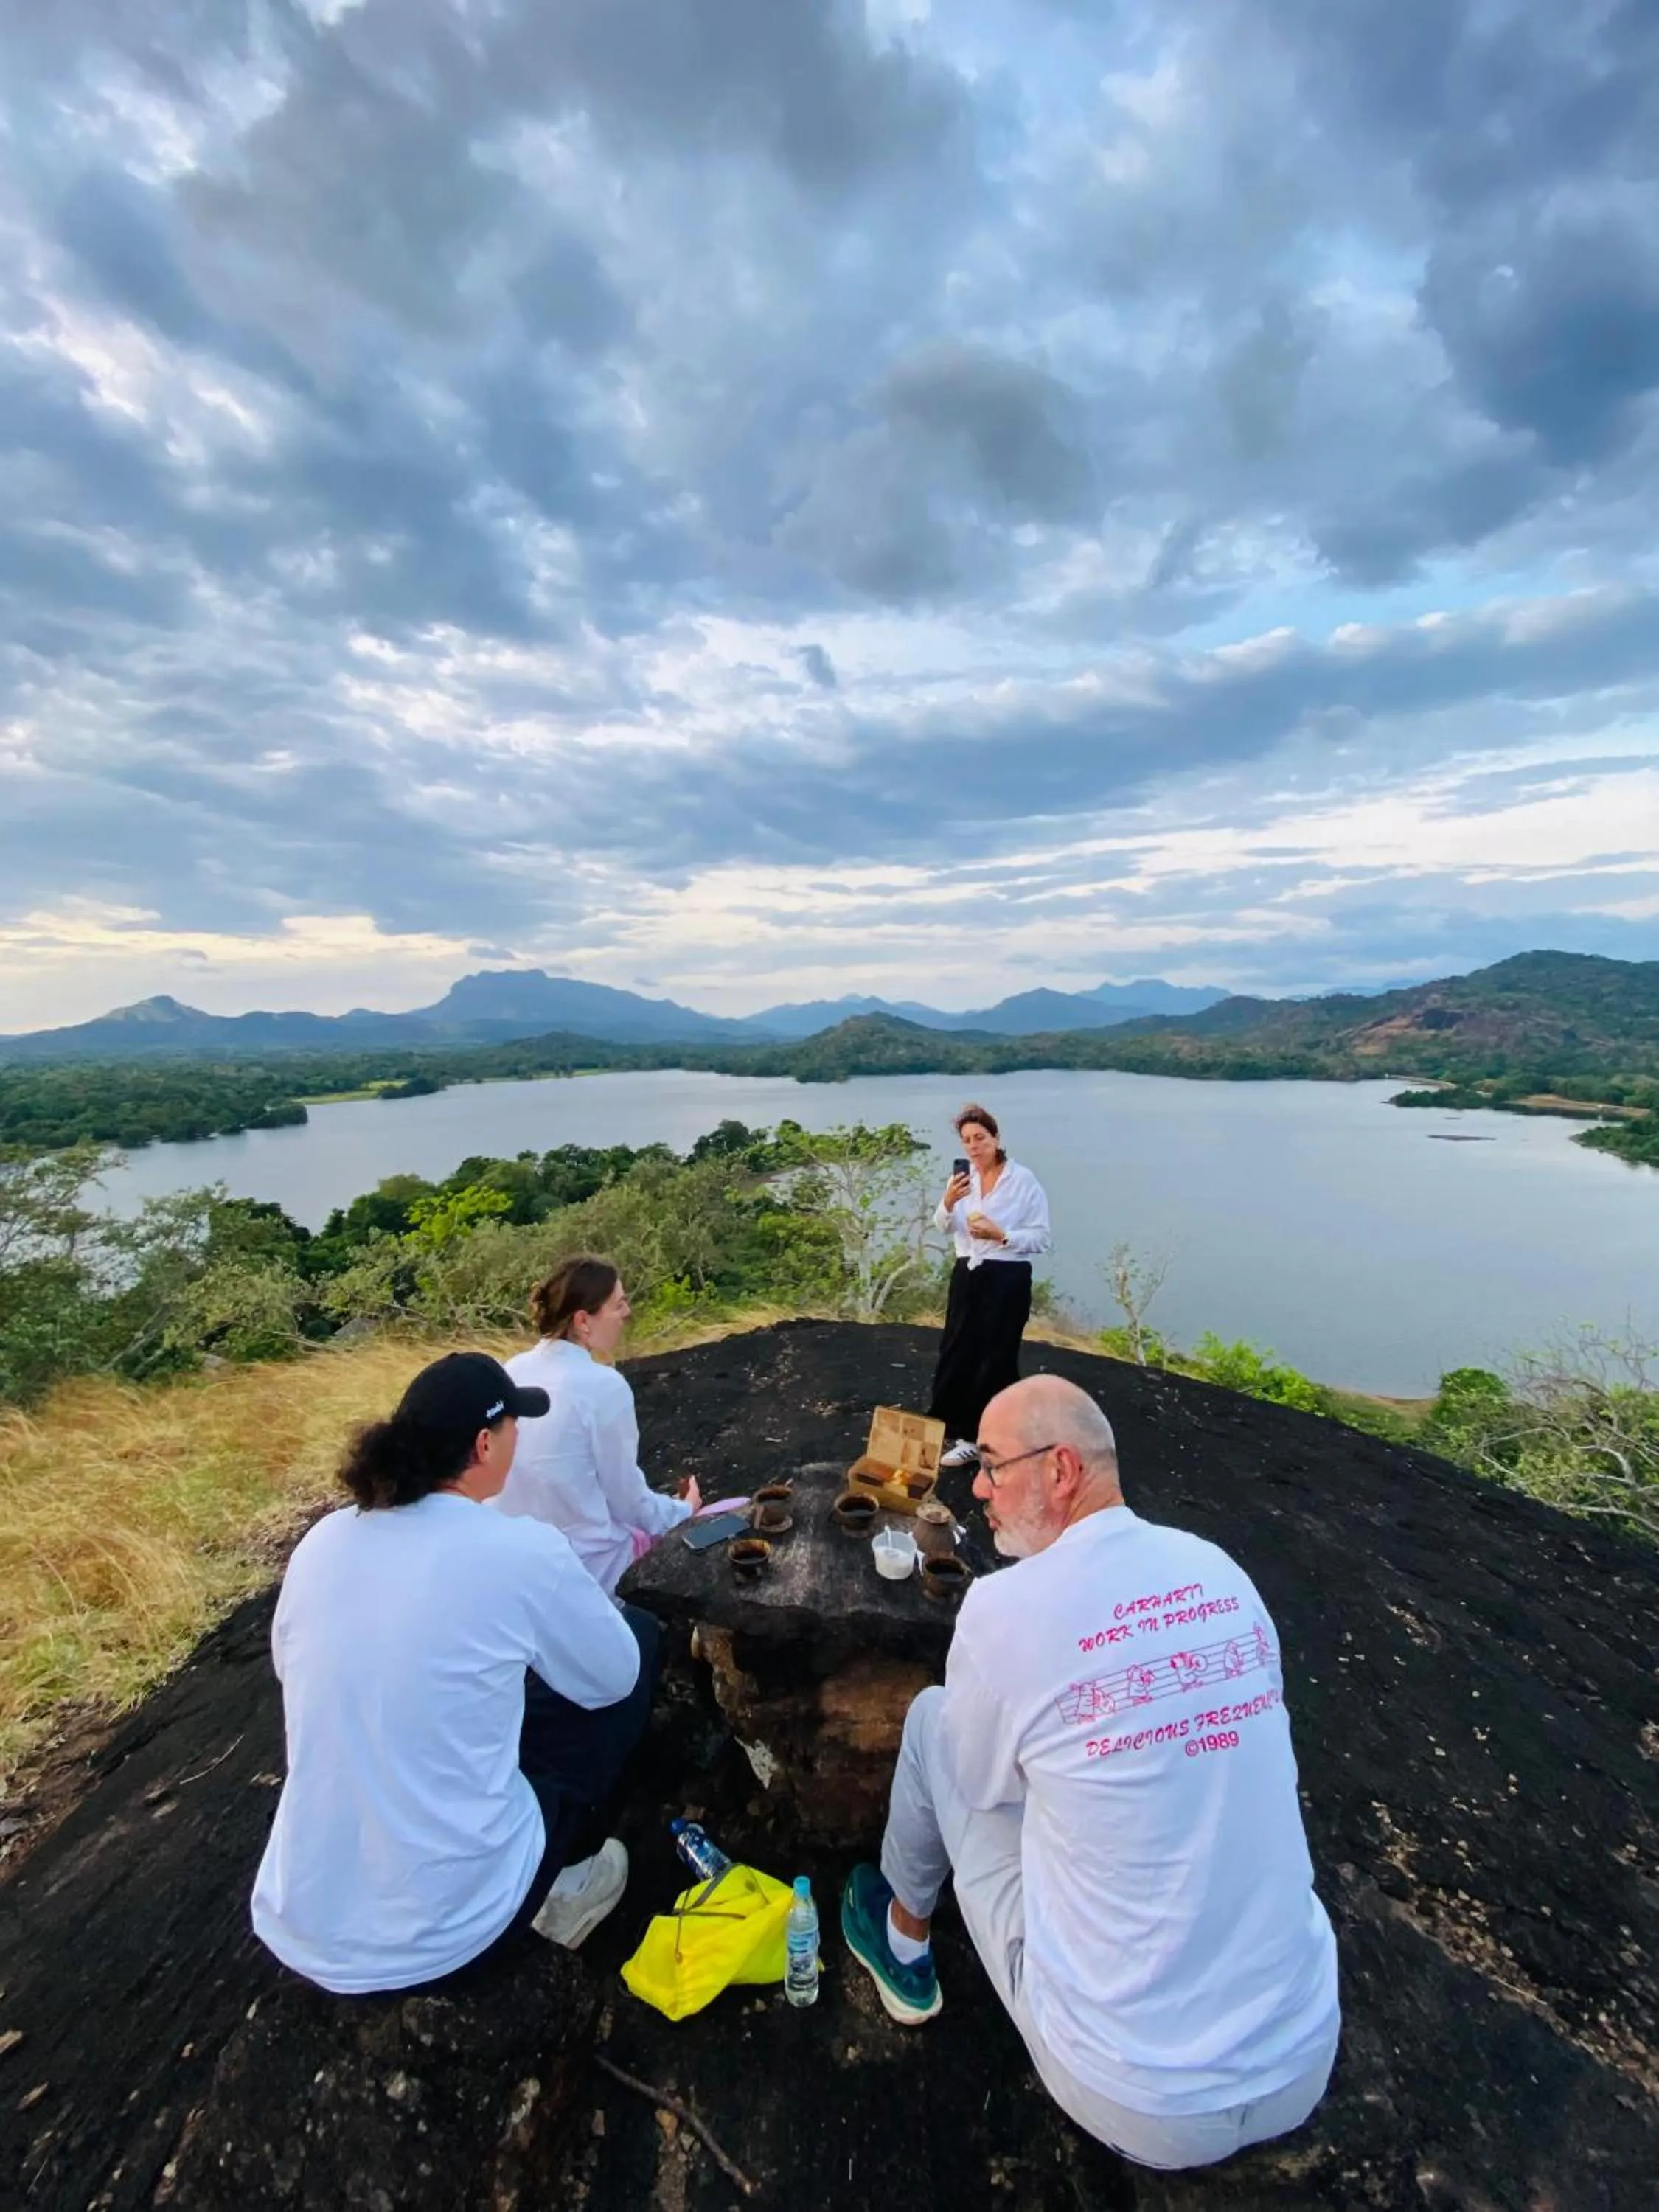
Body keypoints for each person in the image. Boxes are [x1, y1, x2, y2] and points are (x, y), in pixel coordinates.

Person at [841, 1374, 1339, 2173]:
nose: (979, 1489)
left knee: (938, 1720)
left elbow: (976, 1786)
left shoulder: (1010, 1607)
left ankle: (901, 1939)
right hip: (1303, 2053)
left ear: (1062, 1470)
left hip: (1135, 2094)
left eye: (995, 1466)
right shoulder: (1220, 1573)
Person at [251, 1351, 660, 1994]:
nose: (519, 1438)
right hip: (455, 1925)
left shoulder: (323, 1541)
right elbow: (612, 1680)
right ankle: (572, 1882)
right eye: (513, 1428)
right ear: (483, 1445)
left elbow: (291, 1665)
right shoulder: (518, 1550)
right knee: (636, 1643)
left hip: (302, 1915)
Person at [492, 1256, 702, 1593]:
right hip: (588, 1568)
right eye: (618, 1304)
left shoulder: (511, 1370)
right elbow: (629, 1502)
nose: (627, 1313)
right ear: (583, 1321)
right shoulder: (603, 1386)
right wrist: (684, 1510)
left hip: (518, 1562)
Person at [928, 1104, 1051, 1468]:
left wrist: (1002, 1235)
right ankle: (958, 1429)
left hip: (1007, 1275)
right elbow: (943, 1225)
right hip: (968, 1272)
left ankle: (991, 1436)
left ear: (996, 1138)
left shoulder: (1023, 1180)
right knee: (957, 1350)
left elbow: (1042, 1239)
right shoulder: (963, 1182)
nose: (973, 1146)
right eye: (967, 1140)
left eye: (979, 1138)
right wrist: (949, 1203)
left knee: (996, 1355)